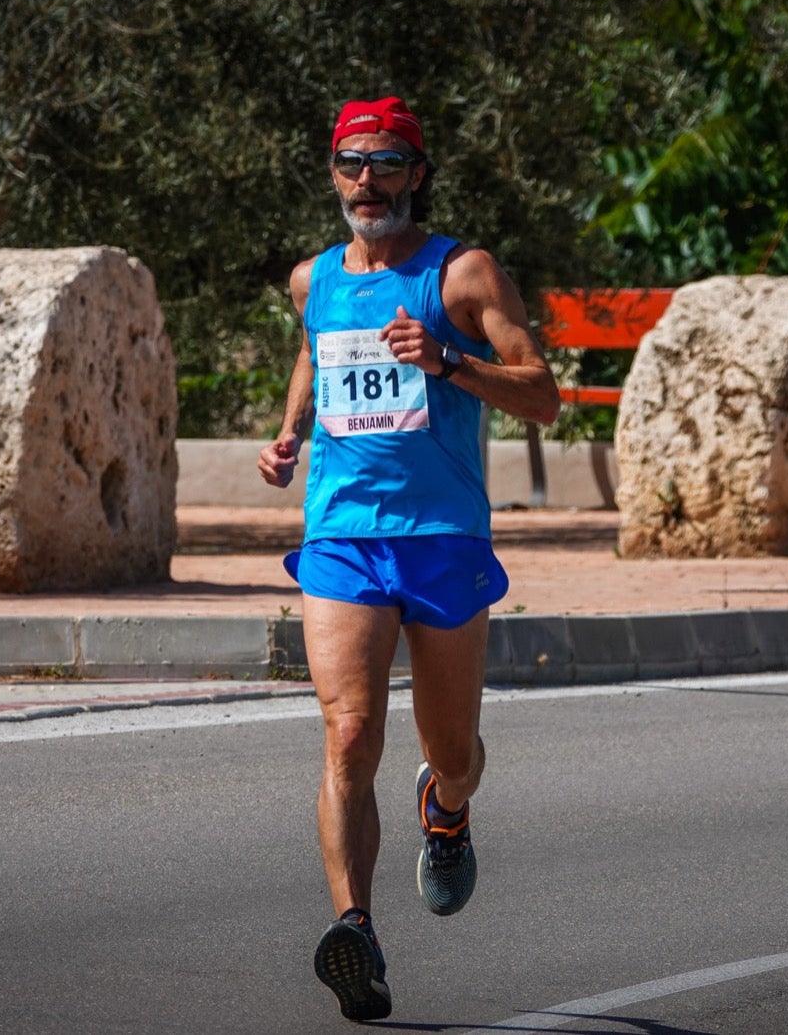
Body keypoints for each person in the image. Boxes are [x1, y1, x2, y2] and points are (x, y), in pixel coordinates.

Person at [256, 96, 560, 1022]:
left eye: (386, 162)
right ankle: (358, 933)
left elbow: (543, 395)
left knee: (449, 748)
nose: (366, 181)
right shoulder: (315, 280)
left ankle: (450, 805)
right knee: (348, 734)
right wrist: (288, 433)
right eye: (351, 163)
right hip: (342, 535)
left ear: (418, 172)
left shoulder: (460, 273)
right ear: (333, 172)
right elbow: (317, 354)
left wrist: (449, 362)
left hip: (442, 541)